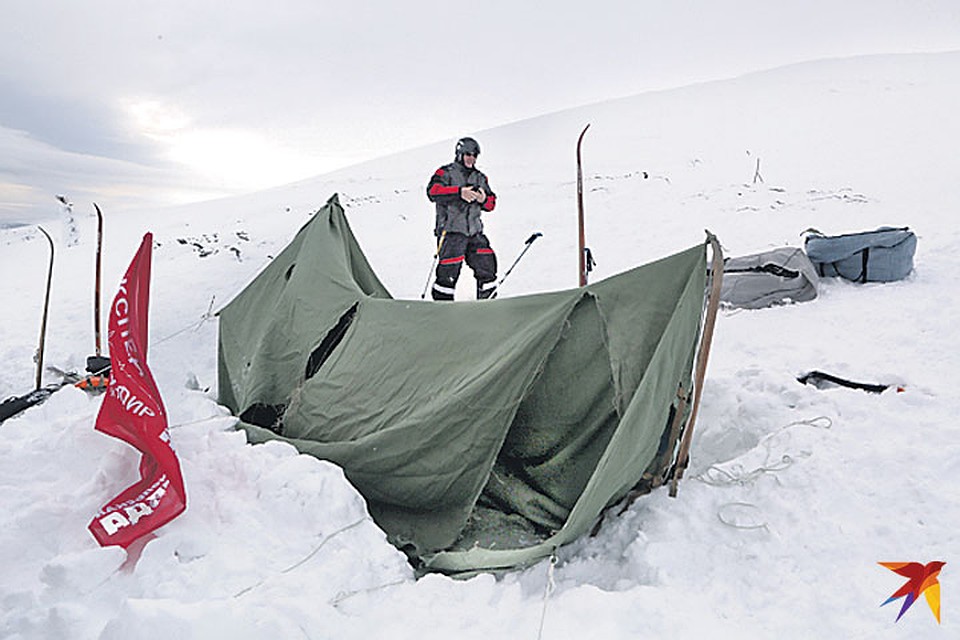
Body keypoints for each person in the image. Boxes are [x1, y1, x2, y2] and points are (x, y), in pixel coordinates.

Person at [426, 137, 498, 300]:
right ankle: (442, 311)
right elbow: (433, 191)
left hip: (474, 232)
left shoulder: (480, 178)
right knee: (448, 274)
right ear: (459, 154)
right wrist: (459, 193)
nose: (471, 158)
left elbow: (491, 203)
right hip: (451, 232)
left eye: (474, 155)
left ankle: (487, 307)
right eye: (468, 154)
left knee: (487, 266)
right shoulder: (445, 172)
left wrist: (483, 200)